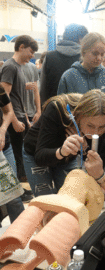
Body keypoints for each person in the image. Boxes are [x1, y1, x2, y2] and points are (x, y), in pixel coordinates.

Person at [23, 89, 105, 197]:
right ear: (79, 116)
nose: (96, 133)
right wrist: (62, 151)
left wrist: (85, 151)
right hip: (37, 153)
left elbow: (99, 171)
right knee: (47, 201)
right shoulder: (57, 109)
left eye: (101, 127)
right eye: (90, 126)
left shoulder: (104, 122)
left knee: (71, 198)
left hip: (67, 157)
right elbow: (40, 157)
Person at [57, 32, 105, 140]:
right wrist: (73, 131)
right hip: (78, 136)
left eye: (102, 54)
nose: (99, 58)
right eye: (95, 53)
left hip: (104, 136)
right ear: (83, 51)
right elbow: (61, 110)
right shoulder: (69, 77)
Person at [0, 35, 38, 184]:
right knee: (16, 155)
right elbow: (5, 99)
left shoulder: (19, 67)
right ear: (21, 47)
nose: (32, 55)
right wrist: (14, 121)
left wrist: (26, 118)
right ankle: (18, 188)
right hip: (13, 119)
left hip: (21, 116)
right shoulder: (10, 66)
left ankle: (22, 184)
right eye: (31, 51)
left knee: (22, 152)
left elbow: (17, 96)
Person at [40, 24, 88, 106]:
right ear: (80, 39)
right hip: (80, 112)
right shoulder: (85, 58)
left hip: (54, 110)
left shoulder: (49, 57)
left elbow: (43, 89)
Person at [0, 84, 24, 225]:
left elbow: (9, 111)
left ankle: (21, 235)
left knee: (13, 196)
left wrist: (2, 130)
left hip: (4, 147)